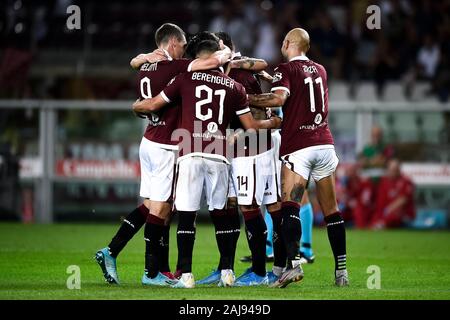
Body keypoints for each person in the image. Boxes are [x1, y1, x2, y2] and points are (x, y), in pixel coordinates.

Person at [132, 35, 281, 288]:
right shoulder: (234, 87)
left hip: (190, 151)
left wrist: (137, 106)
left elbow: (154, 104)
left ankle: (186, 275)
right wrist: (274, 122)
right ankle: (226, 272)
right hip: (220, 154)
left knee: (187, 216)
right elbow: (251, 127)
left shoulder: (184, 78)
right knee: (222, 214)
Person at [94, 23, 232, 286]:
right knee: (160, 209)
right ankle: (149, 272)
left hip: (149, 140)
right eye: (181, 46)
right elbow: (213, 60)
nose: (183, 51)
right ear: (171, 44)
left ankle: (116, 254)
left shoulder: (145, 67)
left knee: (152, 206)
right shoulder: (175, 67)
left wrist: (140, 57)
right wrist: (225, 50)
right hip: (167, 145)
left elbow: (136, 62)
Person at [248, 28, 349, 287]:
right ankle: (341, 272)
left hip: (299, 147)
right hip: (325, 145)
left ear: (288, 43)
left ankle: (292, 265)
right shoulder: (321, 70)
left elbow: (279, 98)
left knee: (289, 205)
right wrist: (274, 78)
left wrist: (245, 98)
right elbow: (301, 93)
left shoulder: (285, 69)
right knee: (332, 211)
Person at [371, 159, 415, 229]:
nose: (393, 172)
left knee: (394, 216)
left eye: (395, 169)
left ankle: (381, 225)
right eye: (391, 169)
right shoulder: (383, 181)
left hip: (400, 214)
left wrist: (388, 209)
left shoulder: (406, 181)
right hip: (383, 213)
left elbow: (403, 199)